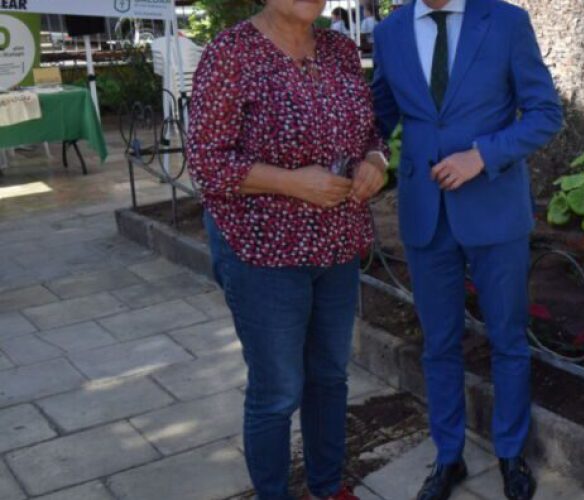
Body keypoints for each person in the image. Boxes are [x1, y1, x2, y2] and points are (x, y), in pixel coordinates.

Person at [185, 0, 388, 498]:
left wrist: (375, 161)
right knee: (277, 392)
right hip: (262, 251)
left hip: (337, 243)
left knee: (328, 378)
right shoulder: (231, 52)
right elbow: (207, 162)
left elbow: (370, 133)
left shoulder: (340, 49)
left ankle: (327, 486)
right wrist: (293, 184)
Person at [371, 0, 563, 499]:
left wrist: (483, 155)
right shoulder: (390, 30)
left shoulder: (505, 21)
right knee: (438, 345)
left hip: (495, 209)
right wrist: (364, 155)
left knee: (507, 339)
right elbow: (379, 114)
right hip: (424, 212)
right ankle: (448, 456)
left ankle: (510, 454)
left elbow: (545, 113)